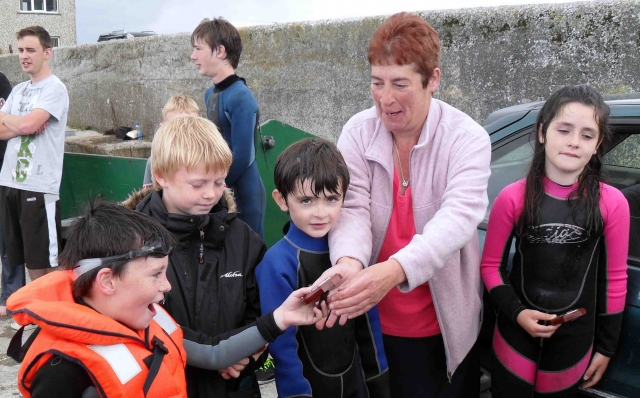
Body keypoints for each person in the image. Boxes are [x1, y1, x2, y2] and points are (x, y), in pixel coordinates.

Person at [318, 13, 492, 398]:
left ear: (433, 80)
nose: (385, 99)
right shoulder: (358, 131)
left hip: (442, 329)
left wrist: (393, 271)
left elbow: (458, 219)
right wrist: (348, 263)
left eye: (400, 84)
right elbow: (352, 208)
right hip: (374, 322)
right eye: (377, 83)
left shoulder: (468, 138)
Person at [125, 115, 319, 398]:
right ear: (161, 176)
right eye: (198, 184)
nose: (210, 194)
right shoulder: (129, 242)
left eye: (219, 182)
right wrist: (222, 354)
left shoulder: (243, 239)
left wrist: (245, 355)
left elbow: (257, 309)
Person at [480, 85, 629, 397]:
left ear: (598, 143)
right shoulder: (513, 197)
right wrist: (518, 312)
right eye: (564, 130)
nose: (574, 142)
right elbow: (491, 267)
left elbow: (615, 280)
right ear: (543, 132)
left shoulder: (611, 203)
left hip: (573, 339)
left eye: (587, 135)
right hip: (515, 330)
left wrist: (606, 348)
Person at [7, 199, 187, 398]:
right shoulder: (62, 372)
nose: (167, 286)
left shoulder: (145, 316)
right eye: (156, 274)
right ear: (108, 281)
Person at [256, 139, 390, 398]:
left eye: (331, 199)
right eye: (306, 201)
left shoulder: (351, 255)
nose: (321, 213)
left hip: (358, 385)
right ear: (281, 200)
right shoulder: (277, 263)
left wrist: (379, 381)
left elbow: (369, 326)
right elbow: (281, 345)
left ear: (345, 197)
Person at [0, 26, 69, 285]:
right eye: (20, 50)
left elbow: (27, 126)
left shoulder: (55, 89)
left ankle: (59, 316)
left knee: (47, 262)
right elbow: (13, 127)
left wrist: (13, 122)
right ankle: (40, 316)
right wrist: (20, 122)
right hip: (10, 182)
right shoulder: (18, 90)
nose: (24, 56)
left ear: (47, 52)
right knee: (29, 261)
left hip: (41, 187)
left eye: (31, 50)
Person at [191, 18, 266, 237]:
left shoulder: (242, 97)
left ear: (220, 51)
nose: (193, 56)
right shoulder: (210, 94)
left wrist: (214, 187)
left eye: (198, 49)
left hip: (244, 192)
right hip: (220, 188)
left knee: (248, 257)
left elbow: (243, 156)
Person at [0, 71, 26, 317]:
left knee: (8, 238)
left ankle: (11, 296)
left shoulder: (1, 82)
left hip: (4, 170)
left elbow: (13, 122)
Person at [142, 94, 200, 189]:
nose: (184, 133)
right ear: (162, 129)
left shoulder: (212, 159)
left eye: (192, 126)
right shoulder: (154, 161)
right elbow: (146, 196)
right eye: (175, 127)